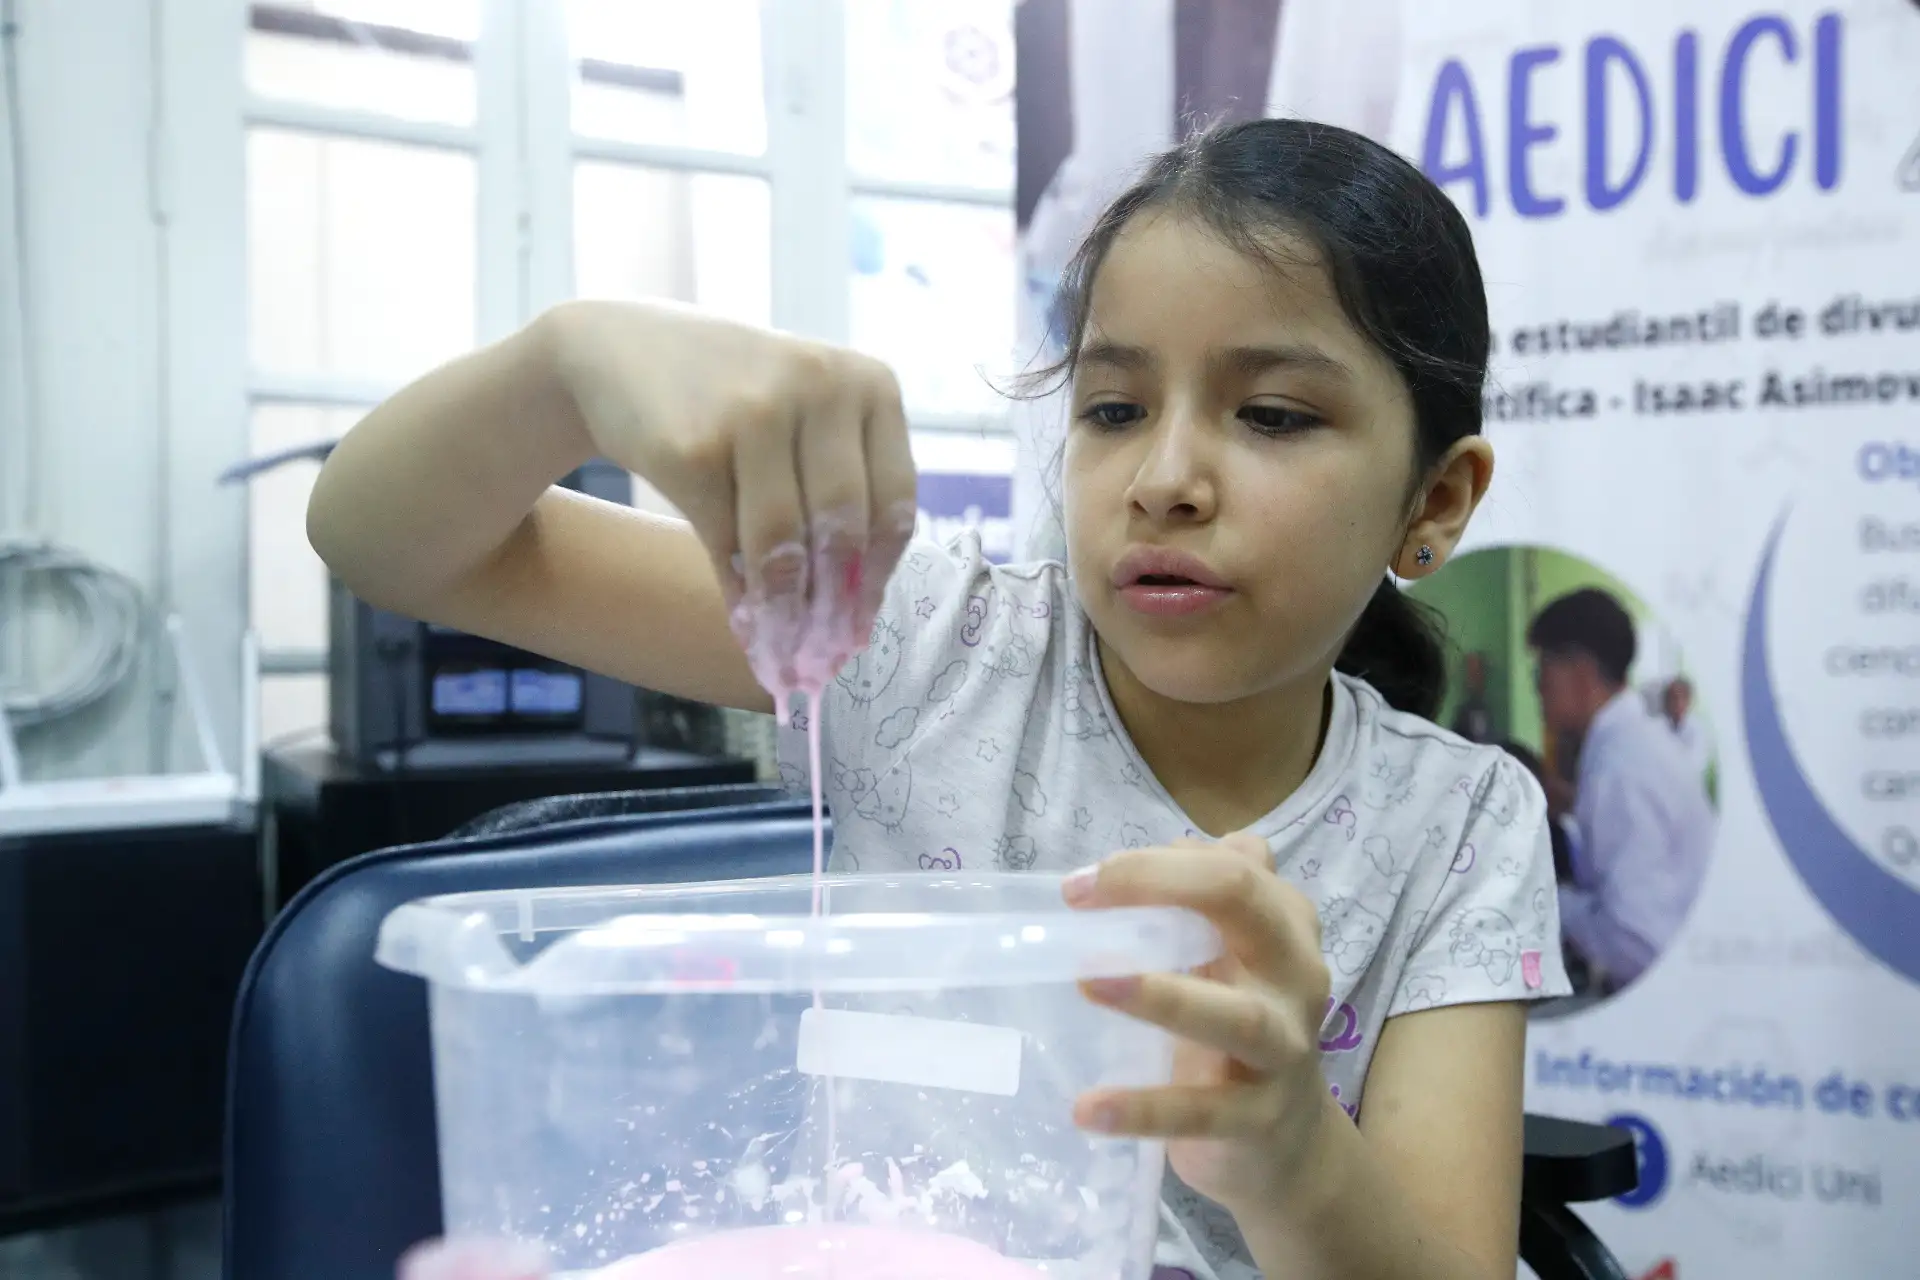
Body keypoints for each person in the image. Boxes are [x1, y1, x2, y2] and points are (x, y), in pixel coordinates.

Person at [311, 118, 1567, 1280]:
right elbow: (386, 541)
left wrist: (1287, 1144)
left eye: (1276, 414)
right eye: (1114, 407)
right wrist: (566, 367)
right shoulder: (917, 642)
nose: (1166, 478)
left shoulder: (1459, 824)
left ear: (1435, 500)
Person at [1528, 589, 1716, 994]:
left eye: (1540, 670)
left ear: (1579, 673)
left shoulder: (1619, 769)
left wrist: (1544, 893)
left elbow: (1633, 942)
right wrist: (1573, 803)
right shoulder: (1636, 744)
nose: (1537, 688)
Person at [1662, 675, 1713, 783]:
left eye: (1679, 698)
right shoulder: (1658, 726)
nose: (1675, 703)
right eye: (1671, 698)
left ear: (1688, 700)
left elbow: (1696, 765)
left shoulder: (1698, 729)